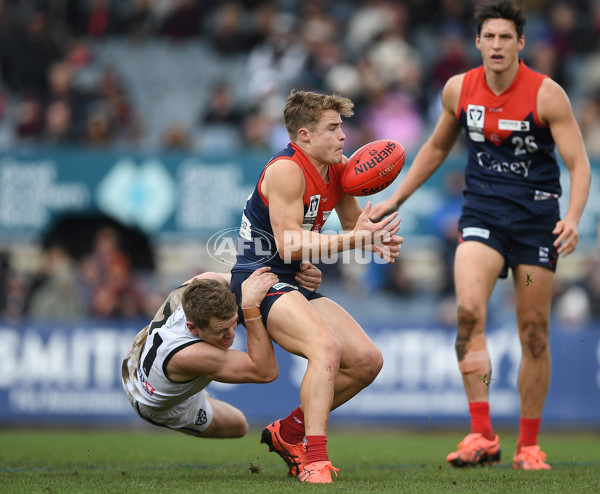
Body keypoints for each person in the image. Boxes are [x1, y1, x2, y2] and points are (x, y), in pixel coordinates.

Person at [371, 0, 590, 471]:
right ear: (477, 42)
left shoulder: (547, 94)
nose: (496, 45)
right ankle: (481, 434)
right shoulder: (458, 90)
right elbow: (433, 148)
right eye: (488, 37)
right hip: (482, 220)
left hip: (536, 226)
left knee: (533, 333)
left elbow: (579, 164)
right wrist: (395, 199)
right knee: (468, 313)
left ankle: (528, 445)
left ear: (520, 44)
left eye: (505, 37)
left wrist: (571, 218)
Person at [230, 89, 403, 483]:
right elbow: (289, 242)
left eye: (342, 127)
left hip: (292, 277)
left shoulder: (339, 170)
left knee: (367, 361)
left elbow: (352, 229)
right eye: (332, 128)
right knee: (326, 347)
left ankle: (288, 433)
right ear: (303, 136)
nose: (344, 136)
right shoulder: (286, 170)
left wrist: (374, 238)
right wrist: (354, 241)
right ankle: (315, 461)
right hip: (259, 279)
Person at [122, 264, 321, 440]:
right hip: (153, 401)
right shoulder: (189, 355)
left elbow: (249, 280)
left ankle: (188, 380)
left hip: (145, 356)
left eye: (233, 324)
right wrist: (250, 310)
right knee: (239, 426)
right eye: (220, 331)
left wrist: (300, 280)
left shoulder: (208, 283)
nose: (231, 335)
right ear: (192, 328)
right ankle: (187, 387)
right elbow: (265, 371)